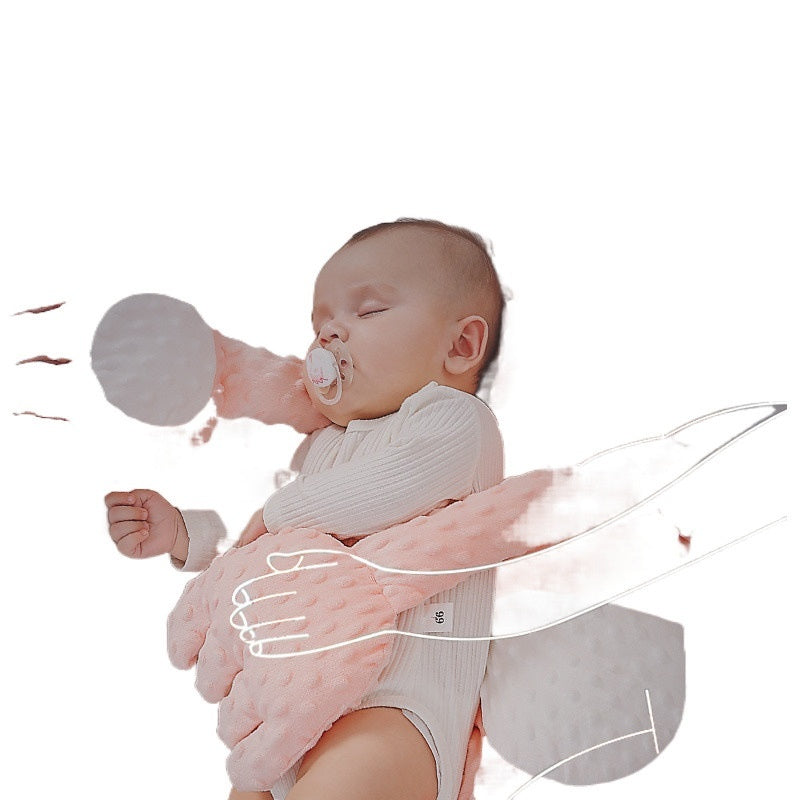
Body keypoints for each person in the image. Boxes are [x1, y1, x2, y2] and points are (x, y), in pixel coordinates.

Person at [105, 218, 507, 800]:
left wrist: (271, 517)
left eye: (367, 312)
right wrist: (181, 533)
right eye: (320, 326)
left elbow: (367, 495)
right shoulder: (324, 447)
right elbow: (266, 554)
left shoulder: (455, 421)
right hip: (294, 713)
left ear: (460, 345)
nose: (330, 337)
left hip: (397, 707)